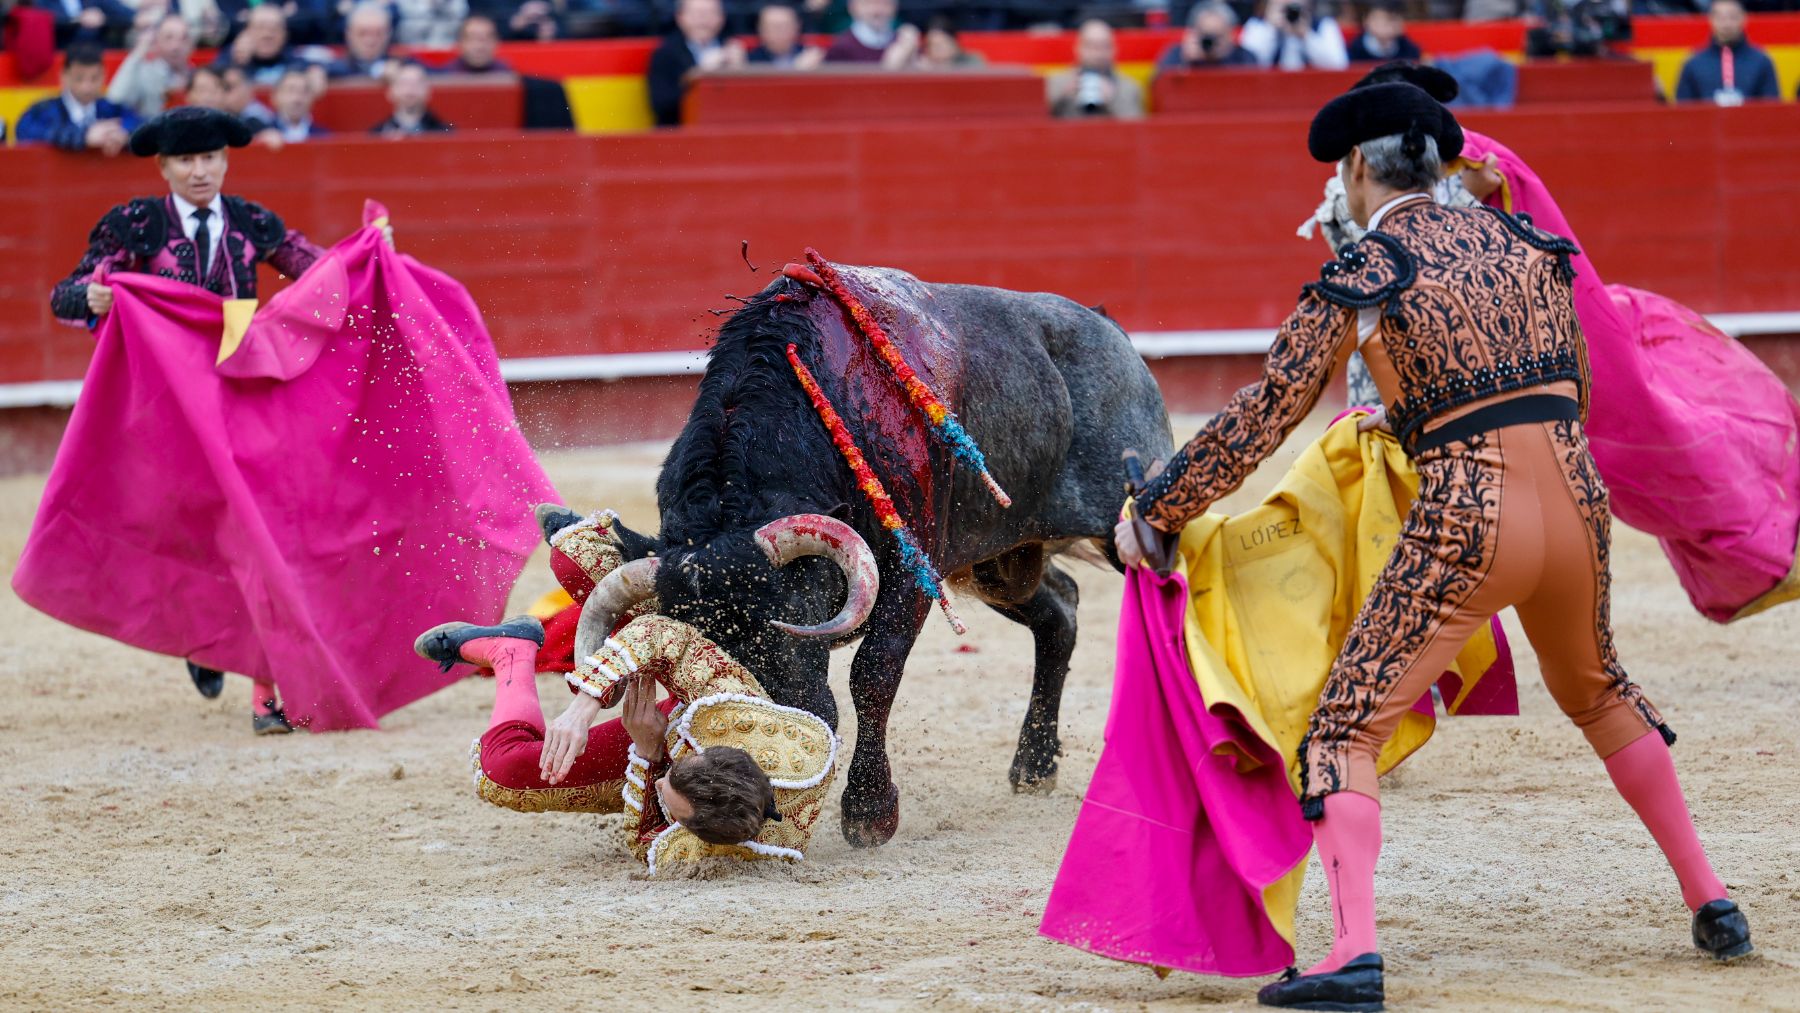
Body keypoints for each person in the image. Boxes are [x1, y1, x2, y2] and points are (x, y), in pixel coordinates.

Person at [1120, 82, 1751, 1009]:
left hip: (1470, 511)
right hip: (1576, 504)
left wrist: (1162, 506)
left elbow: (1268, 412)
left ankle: (1354, 955)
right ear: (1440, 164)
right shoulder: (1535, 248)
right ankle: (1715, 900)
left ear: (1358, 170)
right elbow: (1576, 378)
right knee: (1601, 688)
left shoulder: (1366, 270)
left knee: (1344, 725)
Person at [1307, 59, 1800, 622]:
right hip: (1412, 372)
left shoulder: (1457, 170)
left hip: (1459, 372)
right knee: (1406, 506)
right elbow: (1416, 256)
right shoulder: (1379, 187)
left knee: (1450, 509)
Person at [47, 106, 326, 732]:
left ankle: (265, 693)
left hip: (241, 397)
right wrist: (90, 295)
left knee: (263, 537)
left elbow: (324, 274)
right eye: (186, 161)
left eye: (209, 159)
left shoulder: (253, 222)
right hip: (166, 412)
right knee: (188, 535)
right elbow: (63, 293)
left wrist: (373, 258)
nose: (200, 171)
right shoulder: (133, 225)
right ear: (164, 166)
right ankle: (205, 636)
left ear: (224, 162)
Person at [414, 506, 838, 871]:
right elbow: (659, 633)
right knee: (574, 558)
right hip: (721, 663)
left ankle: (512, 651)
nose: (658, 787)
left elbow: (645, 843)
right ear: (705, 747)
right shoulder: (734, 706)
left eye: (671, 806)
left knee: (502, 775)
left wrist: (651, 753)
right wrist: (584, 706)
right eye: (668, 779)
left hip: (673, 726)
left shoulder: (714, 849)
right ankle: (582, 540)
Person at [16, 46, 140, 155]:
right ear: (64, 76)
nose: (87, 87)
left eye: (94, 78)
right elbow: (24, 131)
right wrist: (83, 136)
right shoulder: (44, 110)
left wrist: (123, 134)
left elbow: (140, 124)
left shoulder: (112, 109)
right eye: (79, 79)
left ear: (104, 75)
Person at [646, 0, 744, 128]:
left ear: (721, 17)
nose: (703, 20)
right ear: (680, 17)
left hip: (726, 130)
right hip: (681, 135)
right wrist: (701, 72)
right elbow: (661, 105)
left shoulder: (732, 48)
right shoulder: (665, 54)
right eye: (697, 13)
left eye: (709, 13)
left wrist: (740, 69)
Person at [1674, 0, 1779, 105]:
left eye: (1732, 17)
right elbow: (1683, 110)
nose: (1726, 24)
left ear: (1744, 18)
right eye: (1720, 18)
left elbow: (1772, 107)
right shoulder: (1693, 63)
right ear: (1711, 19)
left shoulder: (1762, 61)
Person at [1047, 19, 1144, 120]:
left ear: (1115, 50)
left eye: (1105, 46)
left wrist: (1113, 100)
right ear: (1077, 48)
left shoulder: (1129, 87)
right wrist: (1062, 97)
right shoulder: (1056, 83)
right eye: (1091, 46)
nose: (1098, 53)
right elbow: (1037, 122)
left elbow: (1139, 129)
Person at [106, 11, 195, 119]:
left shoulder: (197, 75)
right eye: (169, 38)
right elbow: (116, 98)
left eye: (183, 39)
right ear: (156, 41)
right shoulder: (144, 72)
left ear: (191, 44)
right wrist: (138, 52)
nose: (176, 46)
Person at [1239, 0, 1348, 70]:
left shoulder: (1324, 25)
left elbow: (1338, 66)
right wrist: (1270, 28)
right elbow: (1249, 65)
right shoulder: (1256, 25)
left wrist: (1306, 35)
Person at [1156, 2, 1258, 71]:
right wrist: (1185, 62)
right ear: (1193, 32)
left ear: (1231, 35)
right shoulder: (1177, 55)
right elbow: (1158, 88)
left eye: (1217, 36)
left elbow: (1253, 89)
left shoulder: (1244, 57)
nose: (1211, 42)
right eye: (1206, 35)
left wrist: (1225, 59)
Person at [213, 4, 298, 85]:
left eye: (275, 28)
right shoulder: (229, 59)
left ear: (285, 34)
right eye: (260, 27)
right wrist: (240, 64)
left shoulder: (297, 64)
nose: (267, 34)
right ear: (247, 32)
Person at [823, 0, 917, 66]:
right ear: (853, 7)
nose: (877, 11)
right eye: (869, 3)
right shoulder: (842, 47)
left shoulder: (902, 41)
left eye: (885, 3)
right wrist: (891, 65)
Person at [371, 61, 453, 134]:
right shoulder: (378, 134)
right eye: (404, 83)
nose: (410, 89)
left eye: (417, 83)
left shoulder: (445, 133)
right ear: (390, 91)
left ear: (428, 91)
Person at [327, 2, 396, 80]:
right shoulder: (329, 69)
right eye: (362, 33)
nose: (370, 41)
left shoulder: (401, 66)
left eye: (378, 34)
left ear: (388, 34)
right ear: (348, 34)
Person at [747, 3, 823, 68]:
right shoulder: (750, 60)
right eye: (773, 27)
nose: (778, 33)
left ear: (797, 26)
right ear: (760, 29)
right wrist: (798, 69)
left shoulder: (810, 56)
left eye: (784, 26)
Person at [1347, 0, 1420, 63]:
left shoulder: (1409, 49)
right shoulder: (1355, 51)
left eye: (1396, 19)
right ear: (1366, 20)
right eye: (1386, 19)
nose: (1391, 25)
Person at [268, 66, 330, 141]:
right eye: (290, 90)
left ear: (312, 98)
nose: (297, 98)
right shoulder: (260, 134)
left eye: (304, 92)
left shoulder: (324, 137)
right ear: (276, 96)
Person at [438, 13, 513, 73]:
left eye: (486, 39)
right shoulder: (446, 75)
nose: (479, 46)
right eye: (473, 38)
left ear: (496, 42)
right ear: (460, 43)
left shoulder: (508, 74)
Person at [915, 16, 982, 69]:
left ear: (954, 43)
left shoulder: (972, 60)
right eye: (930, 45)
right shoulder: (924, 66)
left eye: (939, 45)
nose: (934, 50)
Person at [394, 0, 467, 46]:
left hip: (449, 53)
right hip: (413, 53)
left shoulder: (456, 3)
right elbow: (404, 34)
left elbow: (460, 25)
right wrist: (428, 6)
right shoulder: (404, 3)